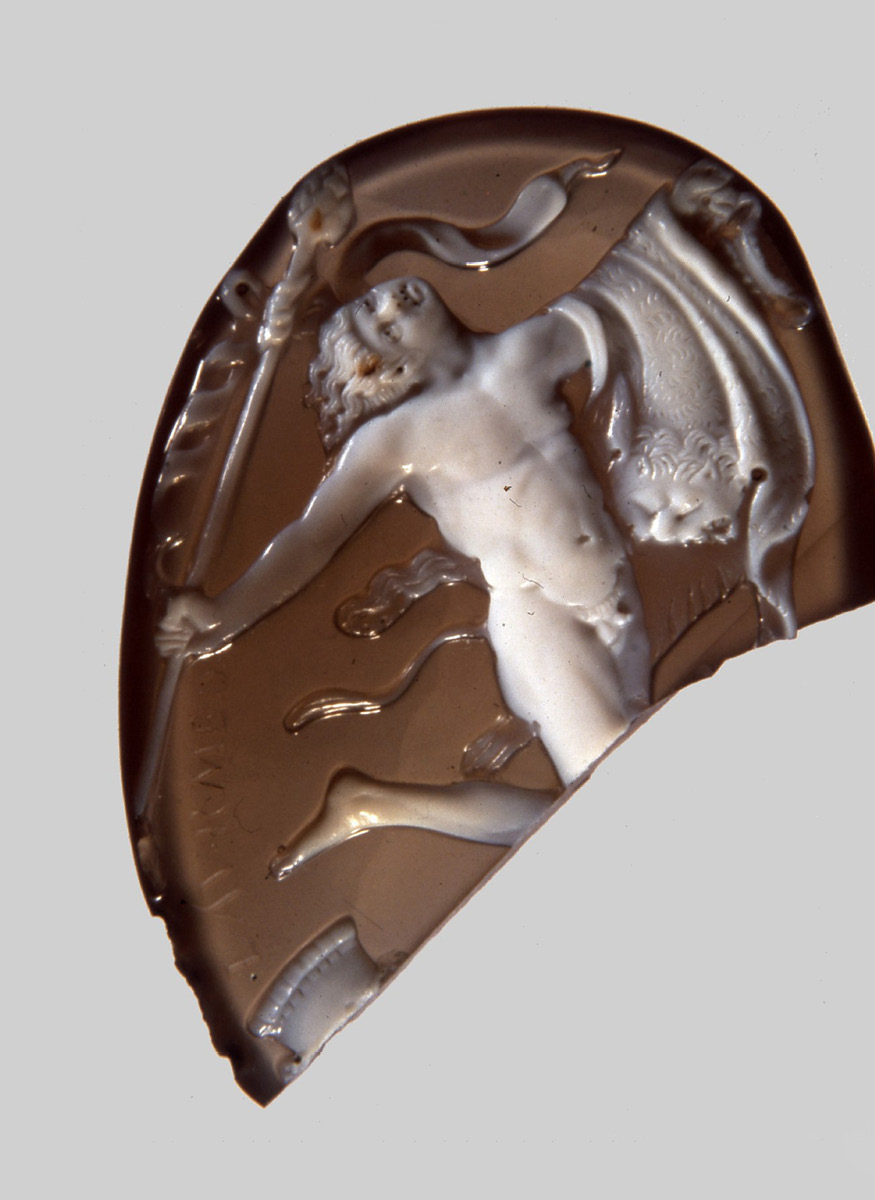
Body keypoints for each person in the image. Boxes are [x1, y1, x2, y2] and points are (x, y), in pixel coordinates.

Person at [158, 274, 652, 873]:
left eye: (379, 300)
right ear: (383, 368)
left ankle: (370, 804)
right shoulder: (397, 439)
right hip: (539, 617)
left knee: (632, 779)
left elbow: (637, 304)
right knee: (617, 790)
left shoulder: (528, 347)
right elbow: (311, 540)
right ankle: (373, 805)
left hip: (617, 589)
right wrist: (222, 613)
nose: (396, 304)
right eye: (385, 328)